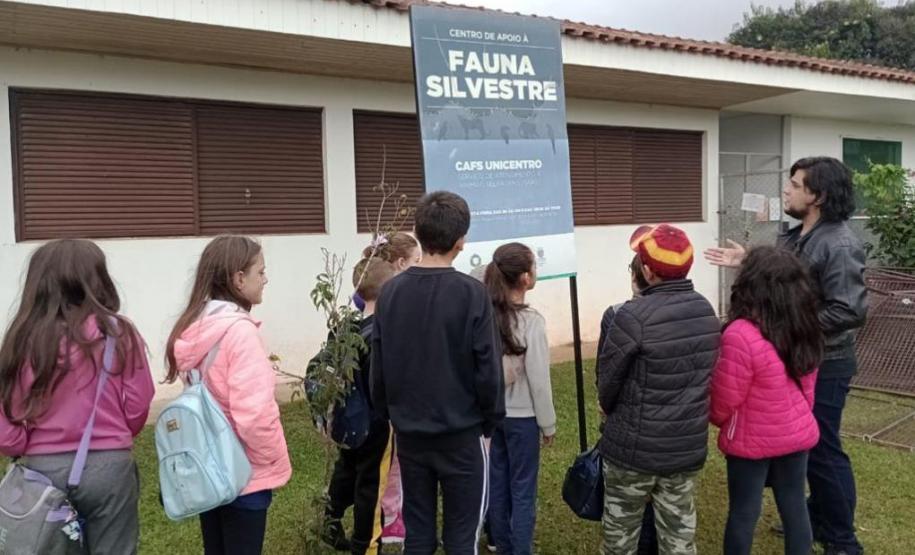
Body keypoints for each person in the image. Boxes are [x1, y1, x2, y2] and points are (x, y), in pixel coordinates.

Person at [704, 157, 867, 555]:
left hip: (823, 360)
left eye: (795, 184)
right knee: (801, 448)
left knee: (824, 449)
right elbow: (785, 282)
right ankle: (812, 515)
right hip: (792, 355)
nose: (786, 190)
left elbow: (849, 310)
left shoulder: (840, 244)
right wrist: (750, 262)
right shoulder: (795, 236)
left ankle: (842, 539)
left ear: (818, 195)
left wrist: (792, 326)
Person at [0, 239, 155, 554]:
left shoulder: (24, 338)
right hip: (111, 467)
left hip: (43, 471)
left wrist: (24, 443)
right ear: (99, 280)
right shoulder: (119, 332)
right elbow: (139, 403)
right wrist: (117, 433)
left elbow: (8, 420)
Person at [371, 191, 504, 554]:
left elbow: (378, 370)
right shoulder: (472, 294)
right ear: (461, 242)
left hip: (411, 434)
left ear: (417, 231)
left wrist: (391, 415)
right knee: (462, 537)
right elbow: (488, 370)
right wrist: (490, 422)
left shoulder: (391, 293)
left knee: (419, 533)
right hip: (462, 436)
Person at [597, 224, 720, 555]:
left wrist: (606, 406)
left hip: (631, 453)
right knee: (679, 536)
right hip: (684, 449)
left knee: (620, 537)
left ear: (647, 270)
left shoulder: (632, 315)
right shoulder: (706, 311)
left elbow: (608, 383)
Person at [165, 235, 292, 555]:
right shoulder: (240, 333)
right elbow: (254, 416)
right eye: (260, 272)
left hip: (208, 469)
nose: (265, 279)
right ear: (238, 279)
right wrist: (272, 459)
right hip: (243, 473)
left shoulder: (197, 325)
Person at [710, 246, 823, 555]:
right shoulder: (807, 325)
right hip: (796, 435)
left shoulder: (740, 334)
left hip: (750, 442)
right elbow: (810, 385)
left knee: (744, 512)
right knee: (795, 505)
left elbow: (725, 397)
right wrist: (796, 419)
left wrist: (719, 419)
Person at [484, 243, 556, 555]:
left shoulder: (485, 315)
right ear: (525, 278)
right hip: (523, 418)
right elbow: (539, 380)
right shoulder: (532, 322)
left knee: (498, 480)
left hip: (493, 414)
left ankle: (500, 542)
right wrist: (548, 423)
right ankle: (520, 549)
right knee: (523, 487)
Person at [323, 257, 398, 555]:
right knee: (372, 486)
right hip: (376, 426)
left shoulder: (347, 328)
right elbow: (381, 386)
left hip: (347, 421)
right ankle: (365, 544)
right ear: (389, 289)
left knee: (347, 469)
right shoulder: (381, 334)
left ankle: (330, 520)